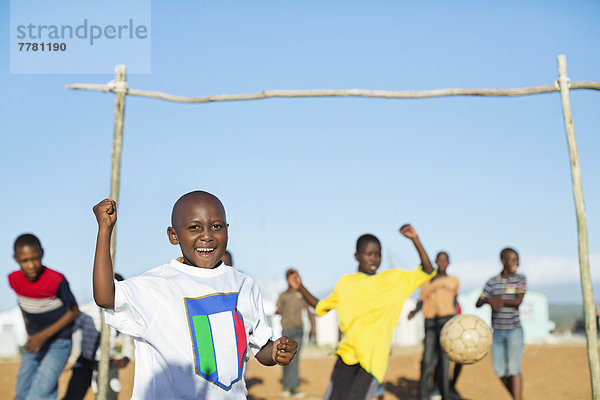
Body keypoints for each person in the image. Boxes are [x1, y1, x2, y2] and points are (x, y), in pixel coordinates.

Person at [92, 191, 298, 399]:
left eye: (216, 226)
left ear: (227, 229)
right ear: (174, 235)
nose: (207, 235)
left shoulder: (244, 284)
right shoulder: (156, 285)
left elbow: (260, 346)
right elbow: (105, 296)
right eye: (194, 227)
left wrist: (275, 352)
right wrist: (104, 229)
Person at [289, 224, 435, 400]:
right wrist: (301, 287)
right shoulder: (346, 283)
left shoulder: (394, 280)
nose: (374, 259)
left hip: (372, 360)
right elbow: (320, 306)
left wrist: (415, 240)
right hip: (347, 354)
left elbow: (427, 271)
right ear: (357, 256)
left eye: (378, 254)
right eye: (369, 254)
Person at [8, 233, 81, 400]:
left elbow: (75, 311)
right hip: (34, 342)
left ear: (42, 253)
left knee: (41, 392)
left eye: (35, 258)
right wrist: (30, 330)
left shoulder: (56, 280)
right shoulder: (13, 280)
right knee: (21, 390)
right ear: (16, 259)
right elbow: (22, 303)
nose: (31, 265)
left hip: (59, 342)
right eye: (25, 260)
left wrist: (43, 335)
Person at [63, 273, 133, 400]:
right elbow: (70, 330)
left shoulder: (124, 314)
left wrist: (126, 358)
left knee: (109, 396)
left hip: (109, 364)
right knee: (73, 396)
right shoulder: (87, 311)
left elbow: (127, 340)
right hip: (86, 362)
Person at [407, 251, 459, 400]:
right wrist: (414, 311)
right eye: (439, 260)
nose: (442, 263)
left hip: (446, 321)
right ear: (436, 262)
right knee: (427, 360)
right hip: (430, 322)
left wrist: (456, 321)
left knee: (445, 361)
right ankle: (423, 396)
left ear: (448, 262)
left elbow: (455, 301)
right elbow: (422, 300)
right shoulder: (428, 281)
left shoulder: (454, 281)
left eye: (445, 260)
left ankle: (445, 394)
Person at [476, 247, 526, 400]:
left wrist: (498, 300)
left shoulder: (520, 279)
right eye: (512, 260)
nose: (516, 263)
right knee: (499, 371)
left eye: (517, 259)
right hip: (497, 332)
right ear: (503, 261)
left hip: (514, 330)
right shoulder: (492, 282)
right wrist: (488, 300)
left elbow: (518, 301)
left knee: (513, 369)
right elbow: (478, 302)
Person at [276, 268, 316, 398]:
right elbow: (279, 309)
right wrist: (279, 311)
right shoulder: (283, 296)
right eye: (290, 277)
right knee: (285, 358)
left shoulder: (301, 294)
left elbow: (309, 311)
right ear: (286, 279)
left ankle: (294, 387)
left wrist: (313, 327)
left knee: (295, 359)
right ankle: (287, 386)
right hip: (287, 330)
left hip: (299, 330)